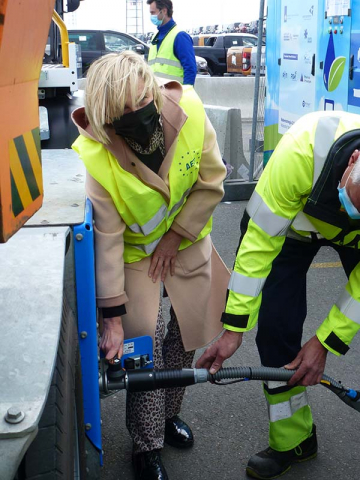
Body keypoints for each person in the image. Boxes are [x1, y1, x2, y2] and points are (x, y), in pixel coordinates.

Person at [72, 51, 229, 480]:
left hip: (186, 238)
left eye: (142, 101)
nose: (136, 114)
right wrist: (113, 317)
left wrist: (176, 236)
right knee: (143, 342)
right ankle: (146, 444)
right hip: (137, 254)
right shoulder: (95, 154)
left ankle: (167, 415)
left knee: (186, 331)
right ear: (105, 115)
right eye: (122, 111)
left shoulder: (191, 111)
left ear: (152, 89)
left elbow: (211, 181)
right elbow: (106, 239)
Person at [196, 110, 360, 480]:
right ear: (353, 160)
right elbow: (256, 249)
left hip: (356, 243)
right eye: (358, 200)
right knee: (274, 330)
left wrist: (324, 343)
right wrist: (234, 329)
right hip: (292, 232)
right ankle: (295, 440)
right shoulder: (302, 153)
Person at [147, 0, 197, 85]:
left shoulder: (180, 36)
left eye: (153, 13)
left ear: (164, 11)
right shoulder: (155, 37)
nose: (151, 16)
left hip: (175, 95)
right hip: (158, 94)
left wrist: (186, 93)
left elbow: (190, 69)